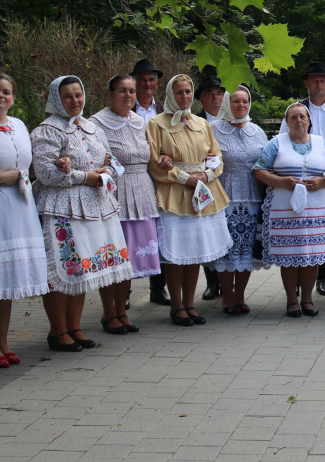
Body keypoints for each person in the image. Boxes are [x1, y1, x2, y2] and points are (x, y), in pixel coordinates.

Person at [32, 75, 133, 351]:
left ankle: (74, 327)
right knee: (64, 269)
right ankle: (58, 330)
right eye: (68, 96)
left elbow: (111, 161)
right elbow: (45, 173)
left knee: (81, 270)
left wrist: (105, 171)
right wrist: (85, 176)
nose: (75, 101)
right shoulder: (47, 130)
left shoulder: (92, 127)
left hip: (96, 206)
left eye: (78, 95)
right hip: (62, 209)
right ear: (56, 99)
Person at [0, 74, 49, 367]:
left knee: (7, 279)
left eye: (5, 92)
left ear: (13, 97)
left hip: (18, 213)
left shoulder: (18, 125)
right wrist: (4, 177)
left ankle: (3, 342)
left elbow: (28, 165)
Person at [146, 75, 231, 326]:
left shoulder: (202, 123)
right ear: (171, 95)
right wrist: (184, 177)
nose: (185, 97)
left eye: (188, 92)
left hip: (202, 191)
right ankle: (176, 305)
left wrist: (206, 174)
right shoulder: (156, 124)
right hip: (175, 192)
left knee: (194, 252)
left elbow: (215, 155)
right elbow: (154, 162)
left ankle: (190, 303)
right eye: (179, 92)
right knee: (176, 253)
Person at [91, 74, 165, 334]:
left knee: (129, 259)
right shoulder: (96, 122)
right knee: (113, 255)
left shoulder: (139, 120)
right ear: (110, 93)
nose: (128, 95)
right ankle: (108, 312)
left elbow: (150, 155)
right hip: (115, 193)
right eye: (122, 90)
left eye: (132, 91)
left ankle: (121, 311)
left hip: (141, 192)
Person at [254, 102, 325, 317]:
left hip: (317, 208)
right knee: (290, 254)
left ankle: (307, 298)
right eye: (293, 117)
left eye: (302, 117)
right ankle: (292, 300)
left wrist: (323, 182)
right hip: (285, 207)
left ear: (309, 120)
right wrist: (281, 181)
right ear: (287, 122)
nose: (298, 121)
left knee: (310, 255)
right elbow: (259, 170)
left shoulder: (323, 144)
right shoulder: (276, 143)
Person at [280, 62, 325, 296]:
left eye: (323, 79)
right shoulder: (296, 109)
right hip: (299, 177)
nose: (319, 83)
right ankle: (298, 279)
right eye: (314, 80)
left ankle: (322, 277)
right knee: (299, 228)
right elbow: (282, 140)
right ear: (307, 83)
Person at [211, 86, 268, 315]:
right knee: (226, 248)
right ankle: (227, 294)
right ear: (227, 104)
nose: (241, 105)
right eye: (235, 101)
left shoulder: (257, 131)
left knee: (245, 249)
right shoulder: (213, 129)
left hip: (252, 197)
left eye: (245, 101)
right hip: (225, 196)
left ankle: (240, 295)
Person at [130, 57, 170, 306]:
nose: (147, 83)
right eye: (142, 79)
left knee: (160, 229)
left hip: (160, 177)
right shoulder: (124, 106)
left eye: (151, 79)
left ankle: (158, 287)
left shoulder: (165, 110)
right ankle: (123, 292)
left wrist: (167, 156)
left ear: (156, 83)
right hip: (132, 176)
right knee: (130, 231)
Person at [195, 73, 227, 300]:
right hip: (204, 183)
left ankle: (227, 281)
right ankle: (211, 282)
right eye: (210, 94)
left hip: (228, 184)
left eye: (219, 93)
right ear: (201, 99)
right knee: (206, 232)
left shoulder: (231, 117)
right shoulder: (196, 122)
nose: (216, 98)